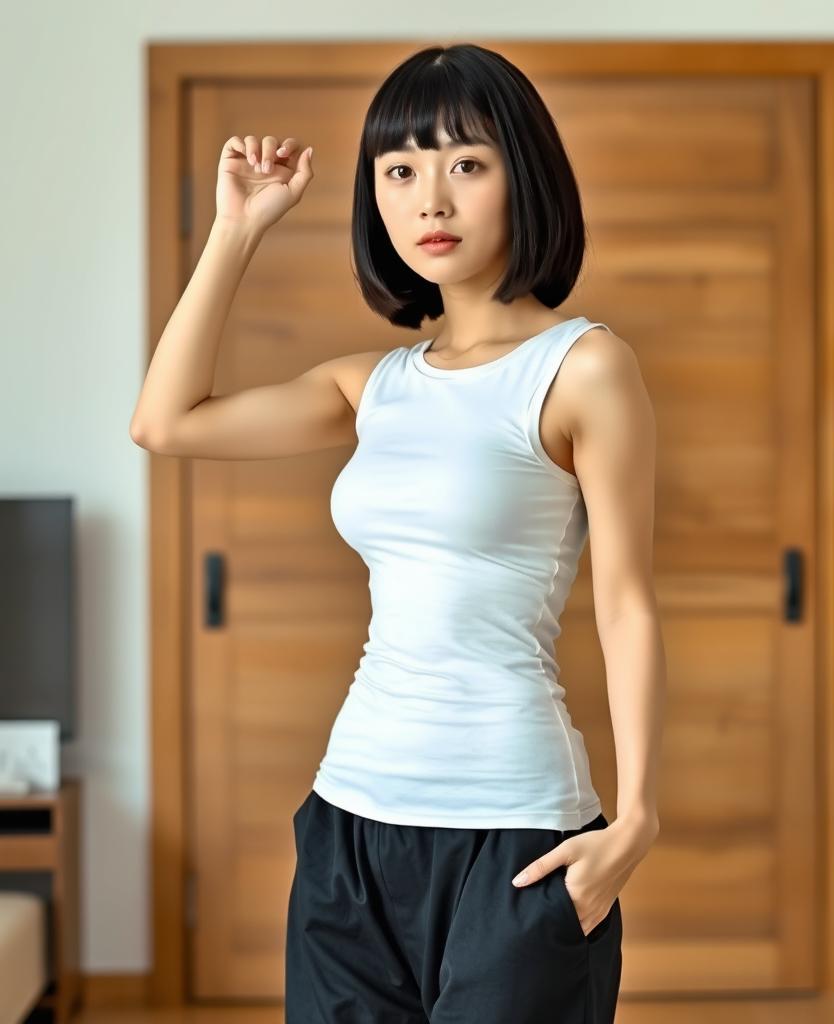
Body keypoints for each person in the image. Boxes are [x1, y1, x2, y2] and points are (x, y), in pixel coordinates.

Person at [130, 41, 665, 1024]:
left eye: (466, 163)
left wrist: (633, 821)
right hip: (352, 824)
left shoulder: (581, 367)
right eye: (400, 169)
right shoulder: (372, 385)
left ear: (523, 175)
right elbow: (164, 423)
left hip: (515, 837)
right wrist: (236, 229)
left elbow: (626, 600)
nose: (431, 200)